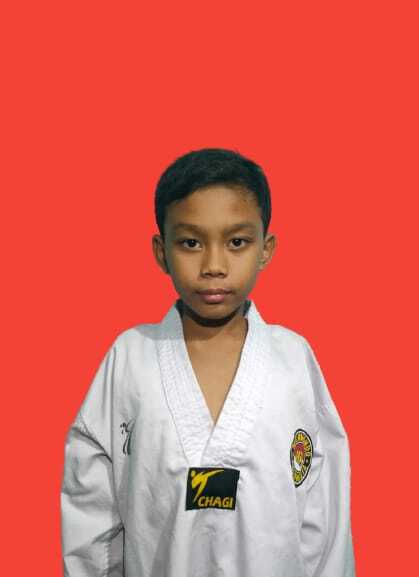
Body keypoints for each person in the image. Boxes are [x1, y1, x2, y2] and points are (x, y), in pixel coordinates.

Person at [61, 148, 356, 577]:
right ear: (161, 251)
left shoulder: (294, 359)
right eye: (191, 243)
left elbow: (324, 511)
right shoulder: (129, 358)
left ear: (266, 249)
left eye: (237, 242)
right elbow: (91, 505)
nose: (213, 266)